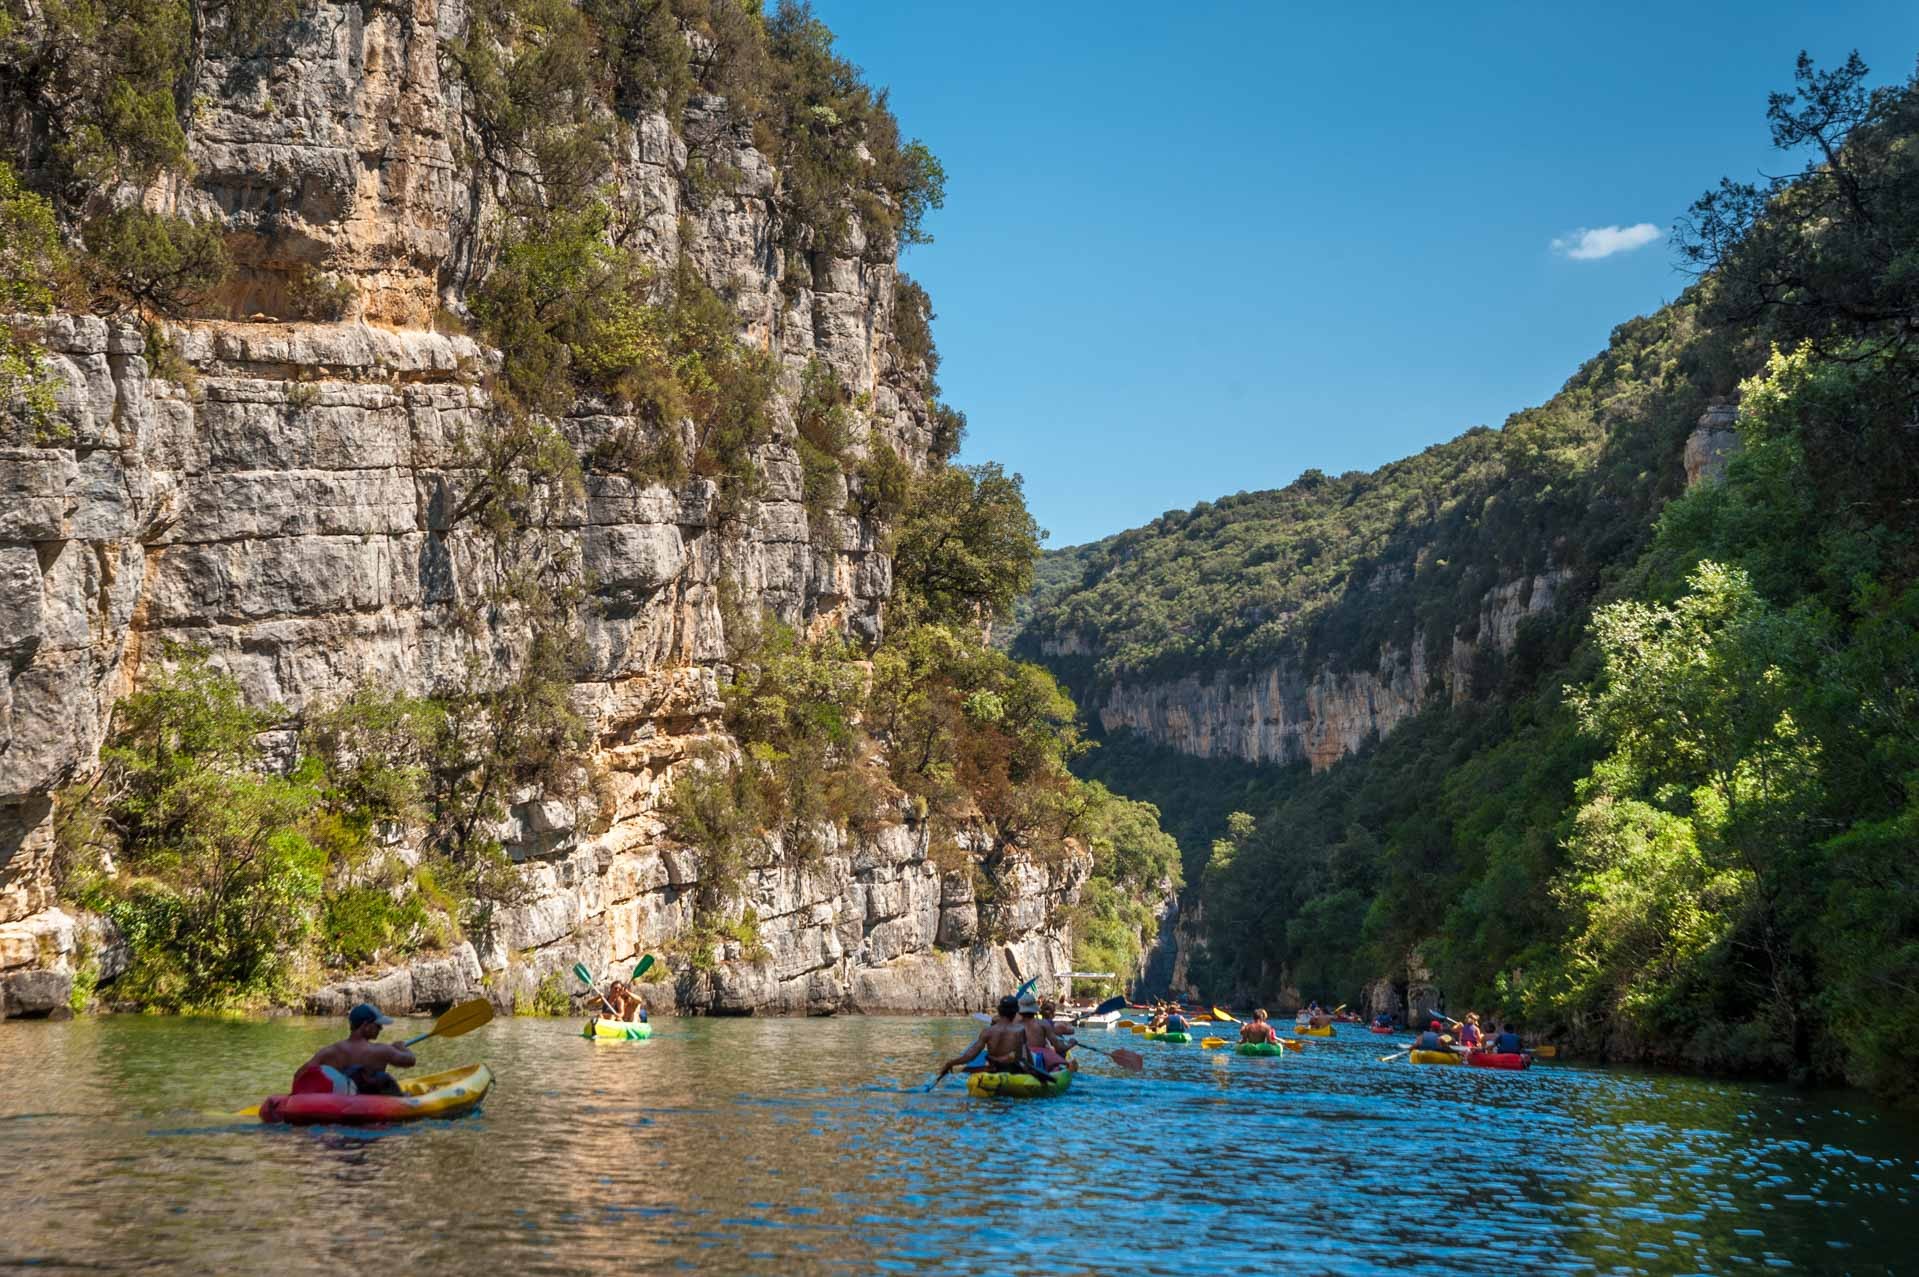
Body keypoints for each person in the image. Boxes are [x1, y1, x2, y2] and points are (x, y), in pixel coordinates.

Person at [289, 1003, 416, 1096]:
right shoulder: (381, 1050)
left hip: (345, 1103)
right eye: (377, 1025)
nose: (381, 1029)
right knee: (385, 1080)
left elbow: (299, 1075)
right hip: (373, 1106)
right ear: (365, 1025)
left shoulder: (329, 1052)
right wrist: (402, 1047)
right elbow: (410, 1060)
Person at [938, 996, 1033, 1080]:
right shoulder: (1020, 1030)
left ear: (999, 1011)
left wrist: (950, 1063)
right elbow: (1021, 1057)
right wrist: (1032, 1070)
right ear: (1015, 1013)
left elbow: (970, 1056)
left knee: (965, 1070)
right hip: (1011, 1071)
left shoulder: (987, 1031)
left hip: (993, 1069)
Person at [1018, 993, 1073, 1070]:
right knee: (1066, 1064)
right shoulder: (1043, 1024)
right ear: (1035, 1010)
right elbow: (1058, 1047)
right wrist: (1071, 1044)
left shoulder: (1014, 1024)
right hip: (1039, 1056)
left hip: (1020, 1056)